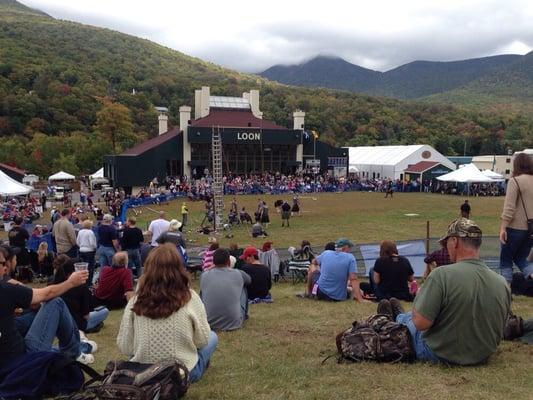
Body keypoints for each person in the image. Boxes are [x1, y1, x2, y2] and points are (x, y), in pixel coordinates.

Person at [390, 218, 511, 365]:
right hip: (482, 354)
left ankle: (397, 318)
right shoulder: (502, 283)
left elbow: (420, 323)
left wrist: (421, 296)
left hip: (439, 352)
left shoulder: (441, 275)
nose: (446, 247)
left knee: (409, 320)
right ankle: (399, 315)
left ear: (455, 241)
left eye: (446, 242)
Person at [117, 244, 217, 383]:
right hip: (181, 373)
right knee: (212, 336)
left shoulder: (135, 301)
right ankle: (198, 364)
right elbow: (202, 340)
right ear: (179, 268)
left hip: (144, 372)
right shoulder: (190, 297)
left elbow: (125, 346)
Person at [0, 248, 94, 368]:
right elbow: (46, 295)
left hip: (9, 360)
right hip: (22, 364)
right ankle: (75, 354)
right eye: (2, 264)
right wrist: (71, 283)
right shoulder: (6, 288)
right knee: (56, 303)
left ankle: (79, 346)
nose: (5, 268)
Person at [499, 153, 533, 284]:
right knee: (521, 259)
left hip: (515, 227)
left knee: (506, 260)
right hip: (531, 229)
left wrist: (503, 228)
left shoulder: (515, 181)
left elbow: (509, 208)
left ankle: (505, 290)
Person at [52, 258, 109, 334]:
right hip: (78, 325)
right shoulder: (82, 287)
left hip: (57, 325)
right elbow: (86, 316)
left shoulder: (53, 285)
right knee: (104, 311)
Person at [200, 248, 251, 331]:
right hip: (234, 323)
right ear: (229, 262)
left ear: (213, 262)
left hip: (208, 323)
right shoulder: (238, 273)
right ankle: (244, 315)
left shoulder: (204, 275)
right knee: (243, 286)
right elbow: (249, 280)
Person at [77, 219, 97, 286]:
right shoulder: (90, 232)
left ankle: (82, 282)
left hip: (81, 250)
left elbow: (78, 242)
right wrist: (94, 248)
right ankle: (89, 283)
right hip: (89, 251)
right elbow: (92, 243)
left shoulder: (80, 232)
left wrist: (81, 246)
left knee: (82, 267)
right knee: (90, 268)